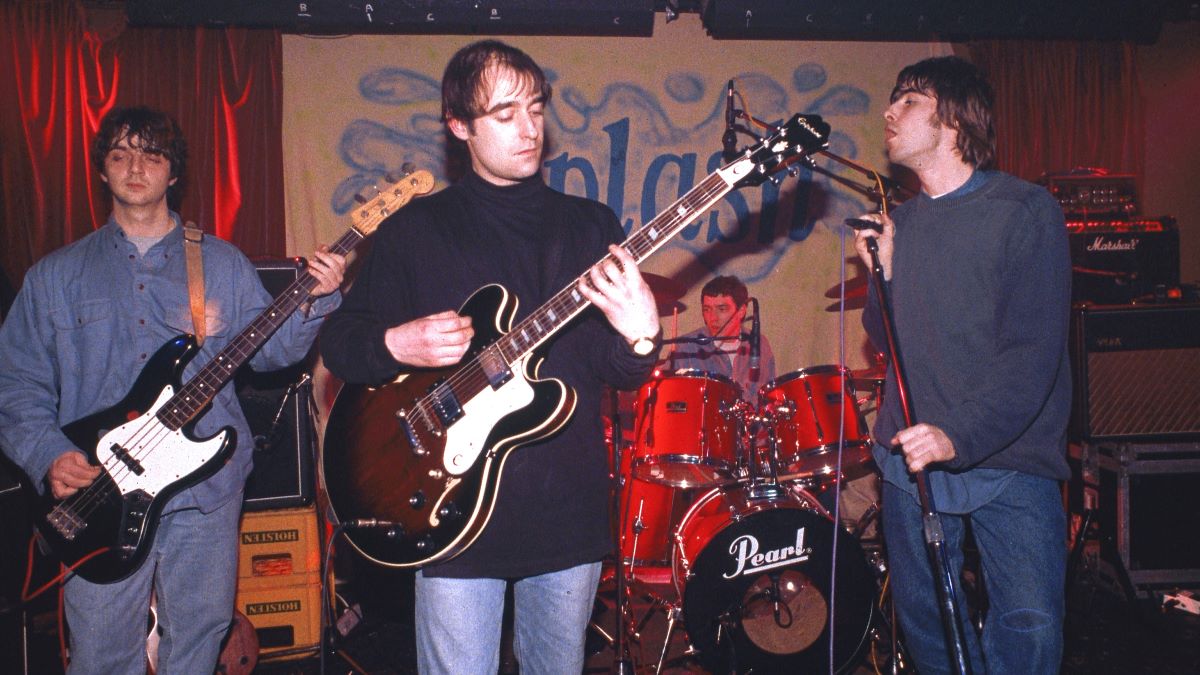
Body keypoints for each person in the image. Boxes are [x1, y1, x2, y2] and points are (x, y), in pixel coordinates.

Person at [318, 40, 661, 674]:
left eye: (535, 108)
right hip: (447, 508)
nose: (529, 129)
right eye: (504, 115)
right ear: (460, 127)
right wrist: (398, 343)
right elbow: (341, 339)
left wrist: (641, 337)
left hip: (565, 511)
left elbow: (611, 369)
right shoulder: (416, 231)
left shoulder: (590, 226)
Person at [0, 106, 346, 673]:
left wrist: (317, 298)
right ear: (103, 171)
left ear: (173, 172)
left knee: (199, 640)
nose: (136, 167)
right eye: (120, 155)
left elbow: (275, 355)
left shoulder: (221, 264)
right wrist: (48, 453)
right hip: (99, 496)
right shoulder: (54, 277)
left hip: (204, 494)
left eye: (152, 155)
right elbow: (15, 383)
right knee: (102, 653)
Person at [853, 56, 1071, 674]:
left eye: (910, 101)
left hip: (1008, 459)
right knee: (929, 629)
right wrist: (883, 270)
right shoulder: (902, 222)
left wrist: (959, 433)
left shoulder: (1024, 211)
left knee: (1027, 629)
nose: (889, 113)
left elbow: (1033, 353)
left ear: (953, 121)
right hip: (910, 465)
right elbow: (883, 335)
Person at [665, 274, 776, 401]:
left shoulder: (760, 344)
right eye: (707, 310)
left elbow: (769, 396)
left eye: (722, 309)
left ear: (741, 311)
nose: (713, 318)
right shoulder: (685, 348)